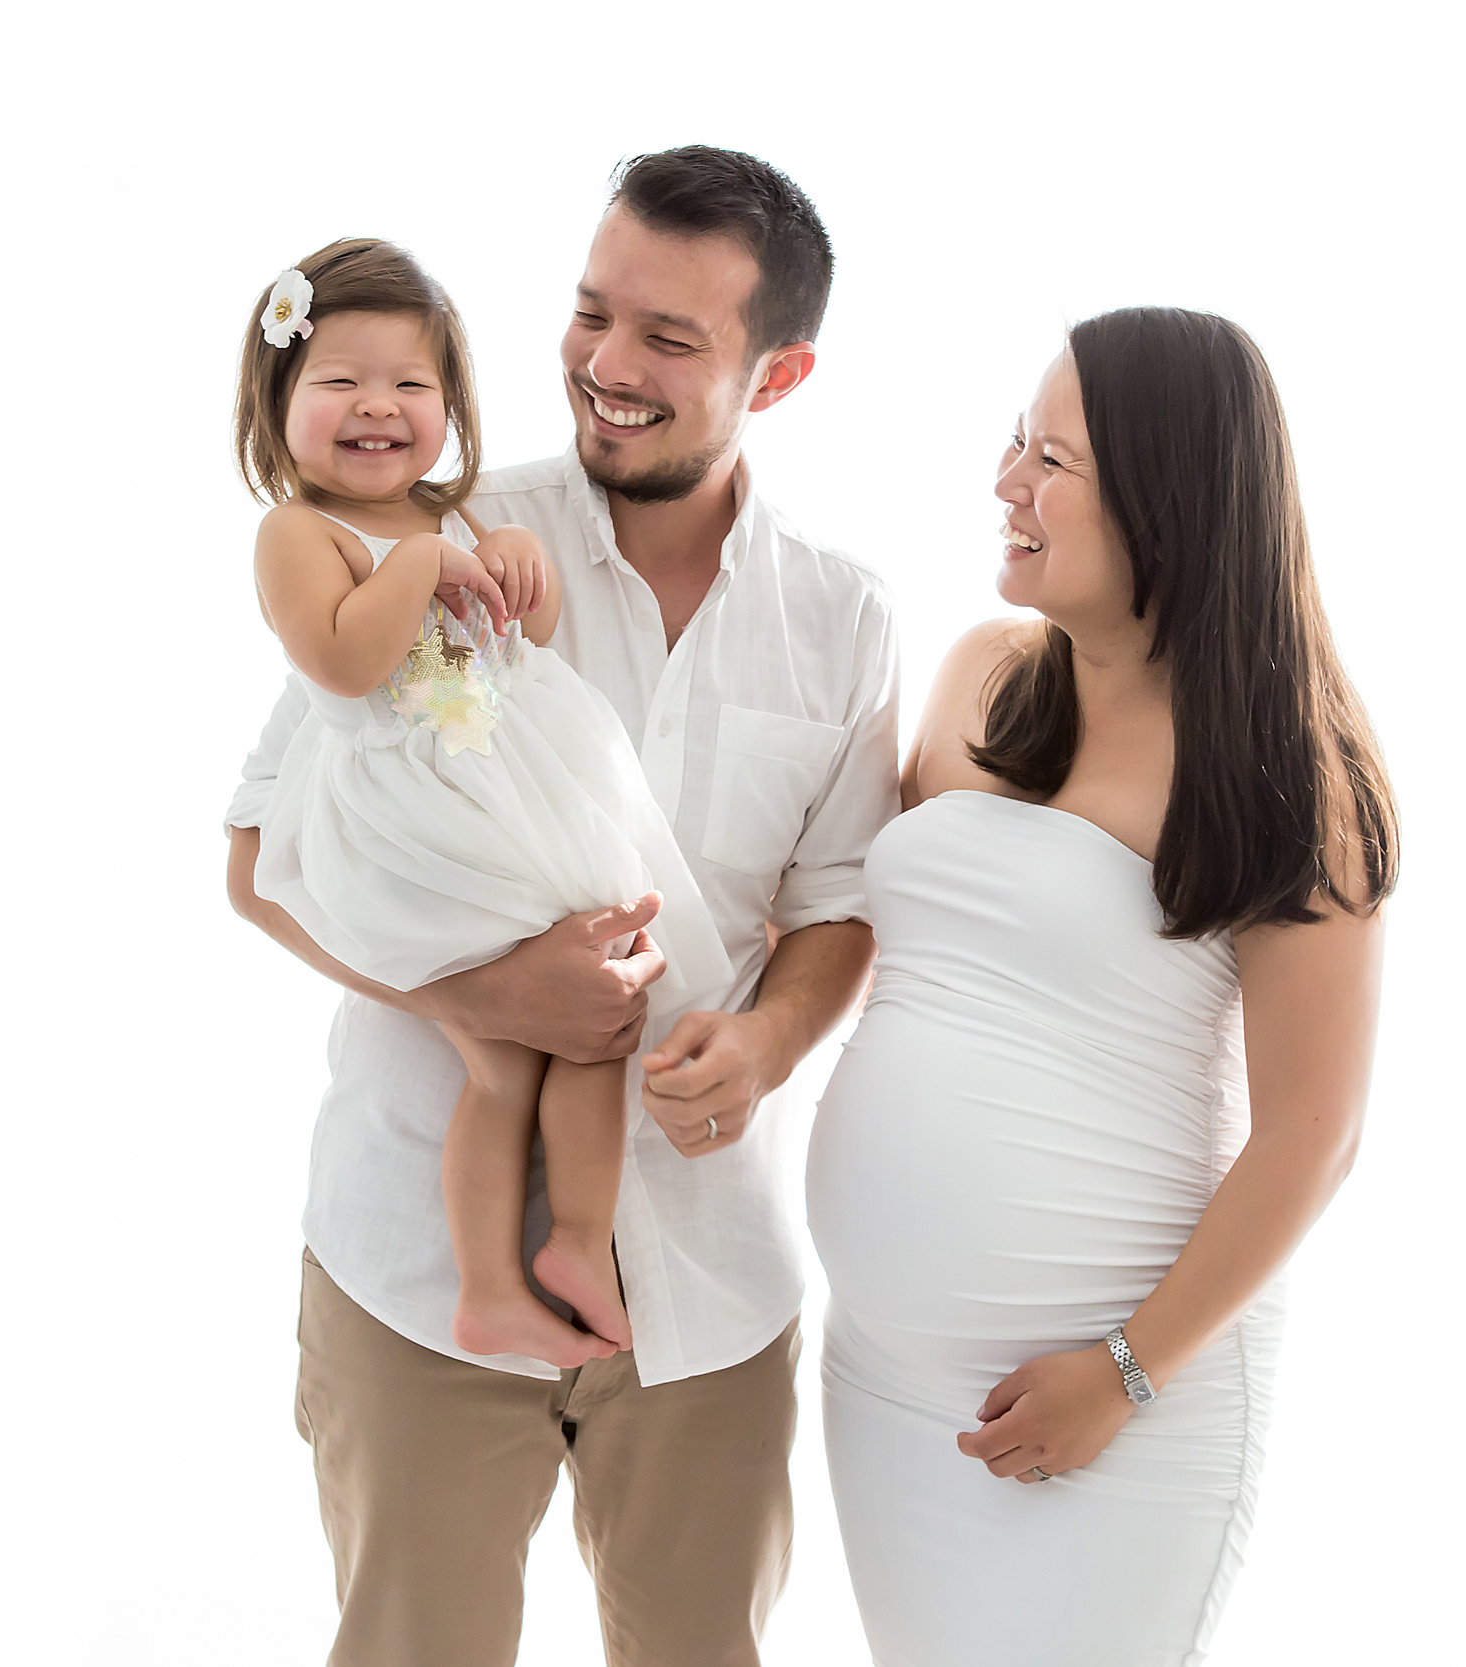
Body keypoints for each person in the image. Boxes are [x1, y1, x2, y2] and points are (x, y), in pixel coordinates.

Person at [225, 147, 899, 1667]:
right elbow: (258, 857)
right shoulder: (435, 536)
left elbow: (839, 900)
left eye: (669, 337)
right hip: (413, 1267)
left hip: (709, 1292)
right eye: (593, 313)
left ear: (776, 374)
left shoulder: (843, 618)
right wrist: (473, 999)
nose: (606, 364)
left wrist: (771, 1041)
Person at [807, 307, 1398, 1665]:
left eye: (1050, 460)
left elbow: (1317, 1129)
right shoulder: (980, 679)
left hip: (1125, 1404)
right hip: (889, 1381)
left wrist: (1124, 1373)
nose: (1005, 484)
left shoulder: (1288, 772)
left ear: (1166, 491)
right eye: (1014, 444)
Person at [236, 236, 734, 1368]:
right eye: (340, 382)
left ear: (451, 405)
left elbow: (518, 650)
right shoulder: (298, 532)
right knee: (513, 1039)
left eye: (411, 383)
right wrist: (419, 567)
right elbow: (345, 661)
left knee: (586, 1025)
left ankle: (559, 1248)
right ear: (277, 404)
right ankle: (509, 1270)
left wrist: (511, 562)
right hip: (407, 813)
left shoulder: (444, 516)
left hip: (495, 784)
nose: (378, 406)